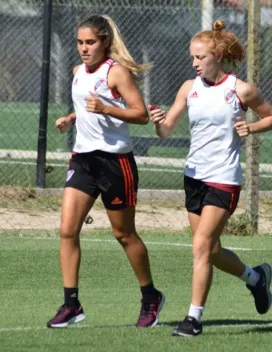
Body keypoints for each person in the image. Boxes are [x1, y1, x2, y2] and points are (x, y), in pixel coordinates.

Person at [149, 19, 272, 337]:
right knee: (211, 250)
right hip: (193, 176)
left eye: (200, 57)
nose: (194, 63)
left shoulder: (240, 89)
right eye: (192, 58)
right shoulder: (188, 89)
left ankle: (193, 319)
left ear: (218, 56)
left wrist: (252, 127)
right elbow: (167, 130)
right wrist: (159, 121)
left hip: (223, 178)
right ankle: (256, 278)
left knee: (201, 247)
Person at [47, 15, 165, 328]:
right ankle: (71, 304)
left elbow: (140, 115)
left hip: (115, 164)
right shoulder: (77, 72)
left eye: (90, 42)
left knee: (123, 234)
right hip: (83, 160)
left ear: (104, 43)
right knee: (67, 230)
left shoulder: (117, 72)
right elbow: (89, 102)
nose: (84, 49)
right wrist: (73, 117)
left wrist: (107, 109)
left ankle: (150, 295)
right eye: (80, 43)